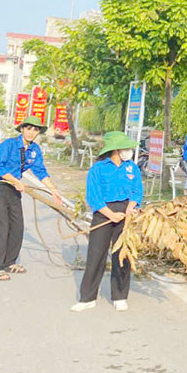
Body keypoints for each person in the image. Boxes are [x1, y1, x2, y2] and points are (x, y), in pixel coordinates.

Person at [71, 132, 144, 312]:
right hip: (103, 213)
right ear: (115, 150)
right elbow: (93, 197)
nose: (128, 151)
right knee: (96, 255)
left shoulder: (132, 167)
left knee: (122, 254)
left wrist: (130, 207)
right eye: (125, 148)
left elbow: (137, 191)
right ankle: (87, 297)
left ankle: (119, 296)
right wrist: (110, 215)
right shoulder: (98, 169)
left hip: (126, 213)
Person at [0, 116, 61, 281]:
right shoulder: (9, 145)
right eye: (29, 128)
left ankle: (9, 262)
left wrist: (54, 191)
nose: (32, 132)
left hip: (14, 189)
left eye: (35, 130)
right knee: (0, 228)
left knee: (17, 227)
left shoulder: (35, 150)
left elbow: (40, 171)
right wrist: (15, 181)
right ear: (22, 129)